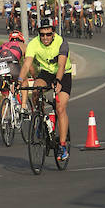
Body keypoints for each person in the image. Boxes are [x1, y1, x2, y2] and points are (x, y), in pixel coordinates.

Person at [18, 16, 73, 162]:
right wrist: (18, 81)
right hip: (46, 73)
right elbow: (26, 64)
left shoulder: (61, 42)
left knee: (60, 106)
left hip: (63, 74)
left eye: (48, 34)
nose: (45, 37)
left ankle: (62, 146)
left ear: (53, 33)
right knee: (36, 89)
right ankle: (40, 119)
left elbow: (61, 66)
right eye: (42, 34)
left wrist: (58, 81)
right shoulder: (34, 44)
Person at [0, 30, 25, 96]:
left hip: (0, 68)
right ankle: (23, 105)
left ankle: (5, 103)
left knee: (5, 95)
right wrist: (34, 76)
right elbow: (28, 64)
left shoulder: (3, 45)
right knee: (24, 80)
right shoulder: (22, 45)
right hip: (13, 66)